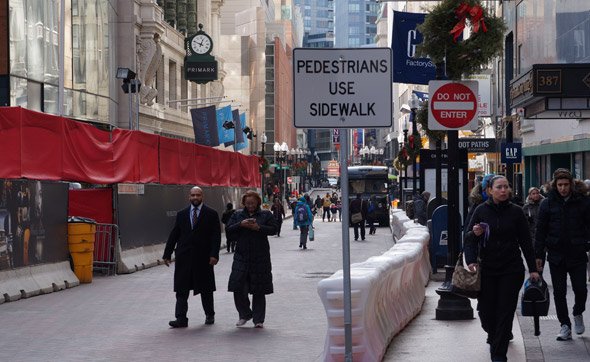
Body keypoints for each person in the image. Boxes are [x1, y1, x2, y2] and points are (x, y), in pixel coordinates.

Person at [464, 175, 539, 362]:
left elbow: (526, 242)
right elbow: (468, 238)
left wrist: (533, 269)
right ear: (490, 190)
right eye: (499, 187)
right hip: (488, 268)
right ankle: (494, 334)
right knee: (487, 312)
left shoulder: (516, 212)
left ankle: (498, 355)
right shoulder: (481, 210)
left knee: (505, 312)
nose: (504, 190)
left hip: (511, 269)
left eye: (506, 187)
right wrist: (472, 258)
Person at [535, 168, 590, 341]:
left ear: (572, 184)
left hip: (578, 252)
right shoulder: (547, 203)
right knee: (559, 292)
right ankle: (564, 324)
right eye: (560, 185)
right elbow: (540, 231)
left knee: (581, 289)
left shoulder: (583, 202)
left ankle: (578, 312)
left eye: (566, 184)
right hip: (556, 254)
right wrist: (538, 257)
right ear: (555, 185)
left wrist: (586, 242)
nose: (563, 188)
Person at [163, 186, 221, 328]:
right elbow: (175, 233)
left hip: (204, 257)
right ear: (189, 197)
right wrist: (167, 253)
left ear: (202, 197)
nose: (195, 198)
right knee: (181, 289)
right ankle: (181, 318)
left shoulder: (211, 214)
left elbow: (216, 236)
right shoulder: (182, 214)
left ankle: (209, 314)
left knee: (205, 288)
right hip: (184, 257)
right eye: (193, 195)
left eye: (198, 195)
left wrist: (214, 254)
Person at [226, 191, 277, 328]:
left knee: (258, 289)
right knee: (237, 286)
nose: (250, 206)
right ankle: (245, 314)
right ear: (244, 203)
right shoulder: (237, 215)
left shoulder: (265, 214)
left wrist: (258, 227)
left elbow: (274, 229)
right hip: (241, 256)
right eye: (248, 203)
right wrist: (241, 224)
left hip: (260, 256)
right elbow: (229, 230)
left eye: (253, 203)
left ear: (258, 203)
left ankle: (258, 319)